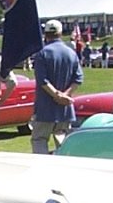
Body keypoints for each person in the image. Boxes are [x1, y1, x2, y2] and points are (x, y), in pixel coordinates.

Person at [31, 20, 83, 155]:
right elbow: (78, 78)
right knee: (63, 142)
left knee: (39, 139)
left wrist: (56, 95)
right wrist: (65, 95)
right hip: (65, 108)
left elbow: (42, 80)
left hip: (45, 107)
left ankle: (42, 170)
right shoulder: (71, 53)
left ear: (45, 34)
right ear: (60, 33)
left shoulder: (42, 53)